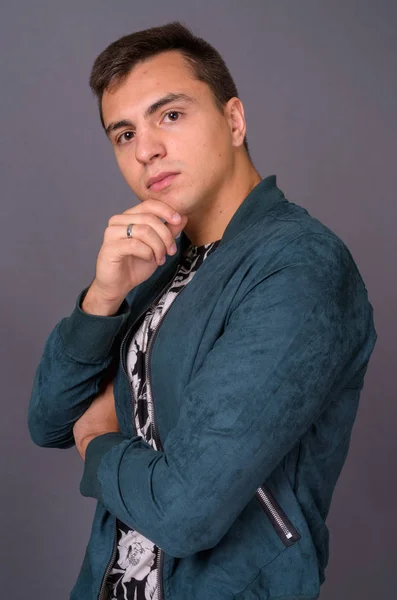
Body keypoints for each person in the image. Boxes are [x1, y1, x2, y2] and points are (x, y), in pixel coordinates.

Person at [28, 20, 377, 600]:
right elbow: (47, 421)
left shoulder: (299, 265)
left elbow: (186, 511)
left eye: (170, 114)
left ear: (234, 121)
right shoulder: (159, 260)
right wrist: (103, 296)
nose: (146, 150)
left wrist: (98, 443)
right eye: (123, 134)